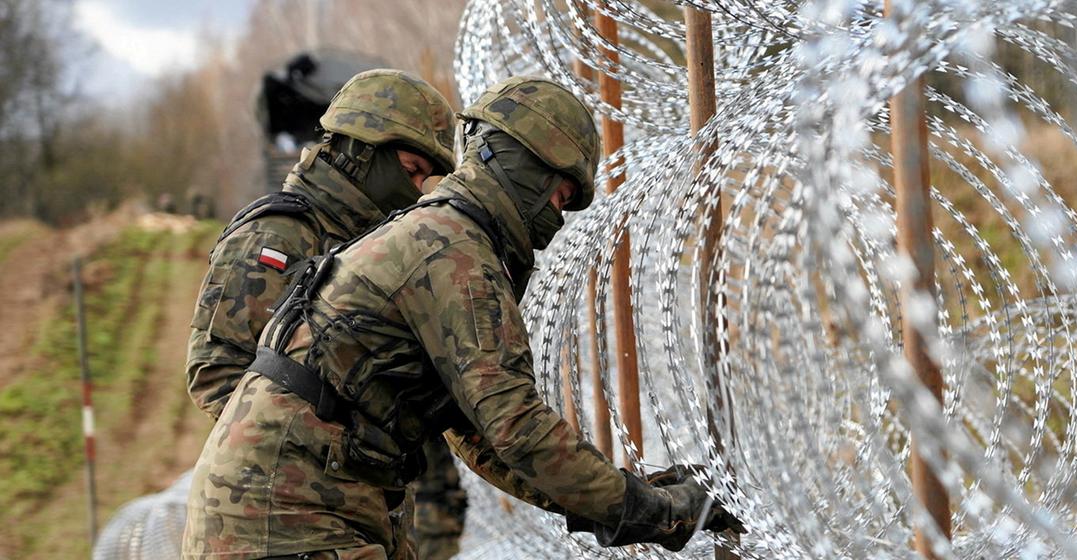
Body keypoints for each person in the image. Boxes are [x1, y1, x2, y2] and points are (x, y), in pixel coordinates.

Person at [182, 76, 742, 559]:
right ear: (523, 169)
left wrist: (625, 498)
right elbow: (516, 427)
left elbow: (487, 438)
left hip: (301, 512)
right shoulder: (453, 252)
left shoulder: (446, 238)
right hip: (292, 518)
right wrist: (650, 510)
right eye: (558, 193)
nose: (558, 218)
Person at [183, 68, 466, 559]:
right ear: (363, 150)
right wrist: (330, 446)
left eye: (427, 177)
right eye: (411, 168)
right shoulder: (279, 237)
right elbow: (216, 372)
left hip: (363, 509)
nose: (418, 189)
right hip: (289, 523)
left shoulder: (374, 247)